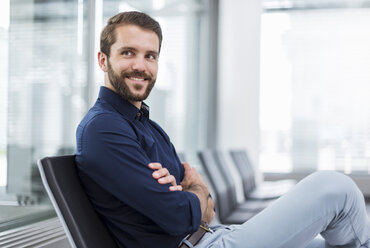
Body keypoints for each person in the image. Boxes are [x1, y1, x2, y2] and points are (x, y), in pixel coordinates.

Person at [75, 11, 370, 248]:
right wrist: (196, 191)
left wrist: (190, 195)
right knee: (336, 190)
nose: (141, 65)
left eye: (150, 56)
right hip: (201, 244)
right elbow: (181, 215)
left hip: (214, 233)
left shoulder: (148, 127)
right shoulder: (102, 128)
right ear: (103, 60)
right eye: (128, 53)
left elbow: (207, 210)